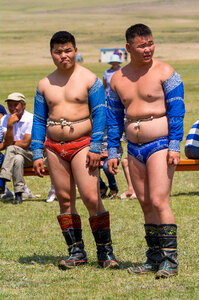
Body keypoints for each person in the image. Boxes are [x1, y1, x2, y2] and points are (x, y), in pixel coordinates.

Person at [31, 31, 119, 270]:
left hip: (82, 144)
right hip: (53, 147)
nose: (63, 56)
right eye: (58, 51)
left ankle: (105, 252)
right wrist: (37, 152)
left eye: (68, 50)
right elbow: (39, 120)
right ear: (51, 53)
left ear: (76, 50)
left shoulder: (90, 79)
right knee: (65, 199)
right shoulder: (44, 84)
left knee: (91, 197)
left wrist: (95, 147)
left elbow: (100, 113)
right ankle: (76, 252)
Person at [106, 24, 185, 279]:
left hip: (160, 144)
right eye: (142, 45)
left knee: (160, 200)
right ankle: (153, 259)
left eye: (151, 43)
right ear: (129, 47)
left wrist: (175, 146)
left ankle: (170, 261)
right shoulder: (117, 79)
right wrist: (112, 151)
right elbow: (114, 117)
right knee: (145, 203)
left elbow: (177, 111)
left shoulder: (166, 72)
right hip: (134, 148)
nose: (148, 49)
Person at [0, 93, 34, 204]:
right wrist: (10, 126)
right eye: (10, 105)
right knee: (17, 159)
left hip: (30, 155)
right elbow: (8, 143)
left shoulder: (30, 118)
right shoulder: (5, 119)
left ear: (23, 105)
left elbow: (25, 143)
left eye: (16, 105)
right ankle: (19, 195)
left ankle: (3, 179)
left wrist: (12, 144)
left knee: (11, 149)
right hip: (15, 156)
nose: (12, 108)